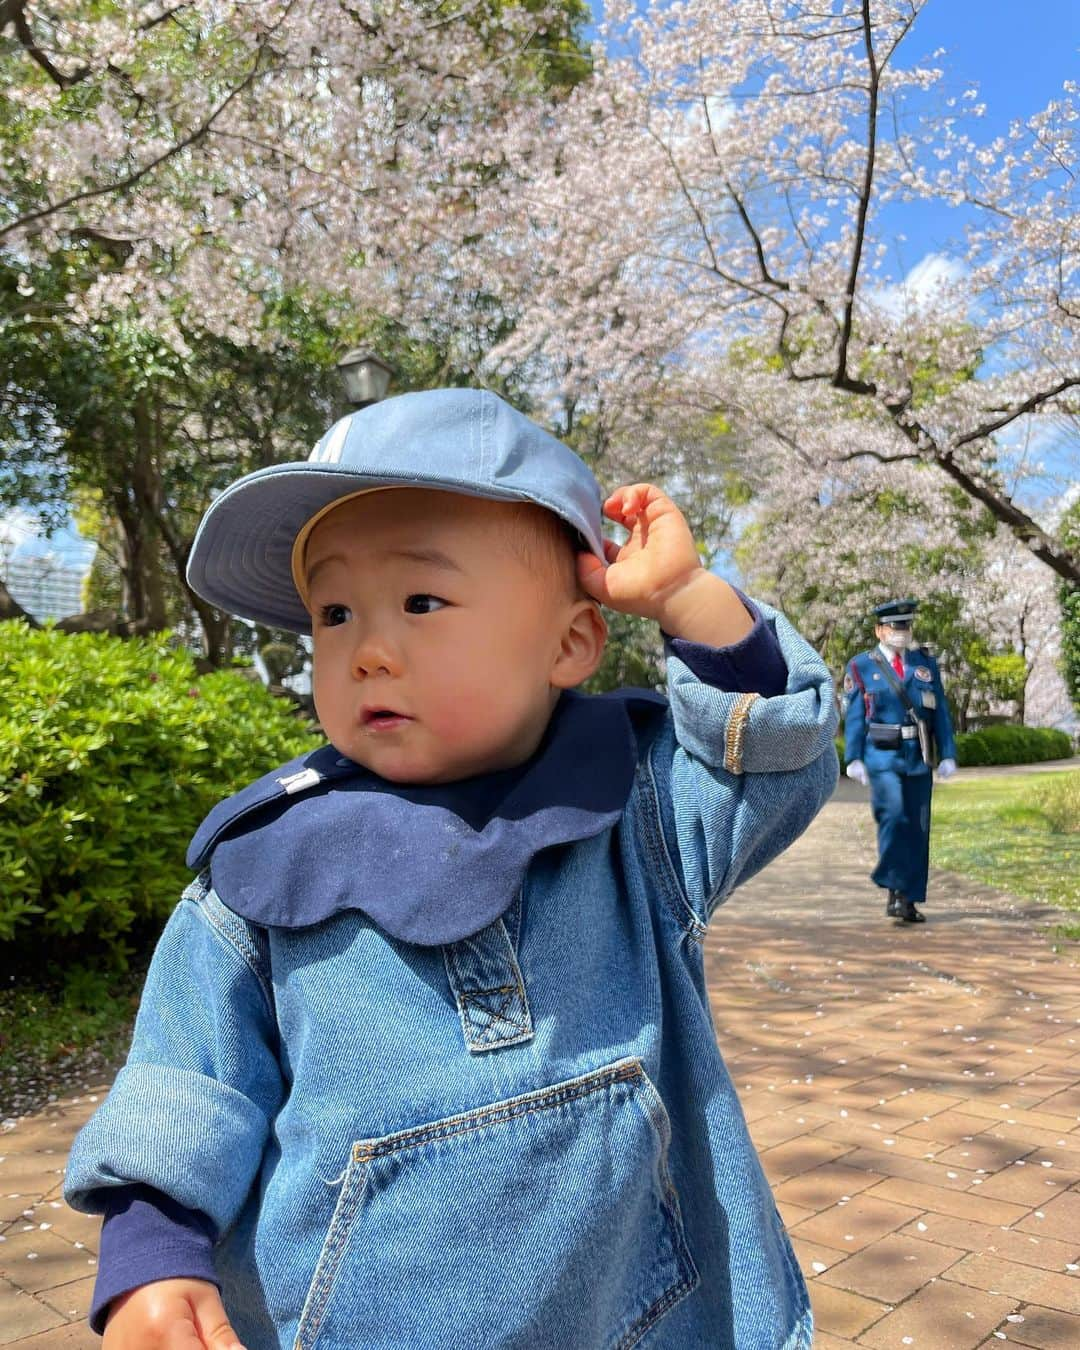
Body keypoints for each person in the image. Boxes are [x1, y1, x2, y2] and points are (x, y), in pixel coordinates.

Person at [64, 387, 838, 1350]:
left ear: (571, 641)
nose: (369, 652)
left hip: (638, 1315)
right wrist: (151, 1253)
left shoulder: (631, 817)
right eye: (335, 612)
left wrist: (689, 603)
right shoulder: (267, 867)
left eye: (422, 601)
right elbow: (185, 1075)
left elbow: (774, 761)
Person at [843, 598, 957, 924]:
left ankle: (906, 899)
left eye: (906, 626)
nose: (901, 632)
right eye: (895, 626)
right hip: (881, 755)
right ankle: (892, 884)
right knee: (894, 816)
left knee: (918, 829)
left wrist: (947, 752)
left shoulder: (924, 664)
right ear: (879, 630)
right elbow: (854, 715)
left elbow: (941, 712)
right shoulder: (862, 666)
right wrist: (853, 757)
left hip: (917, 756)